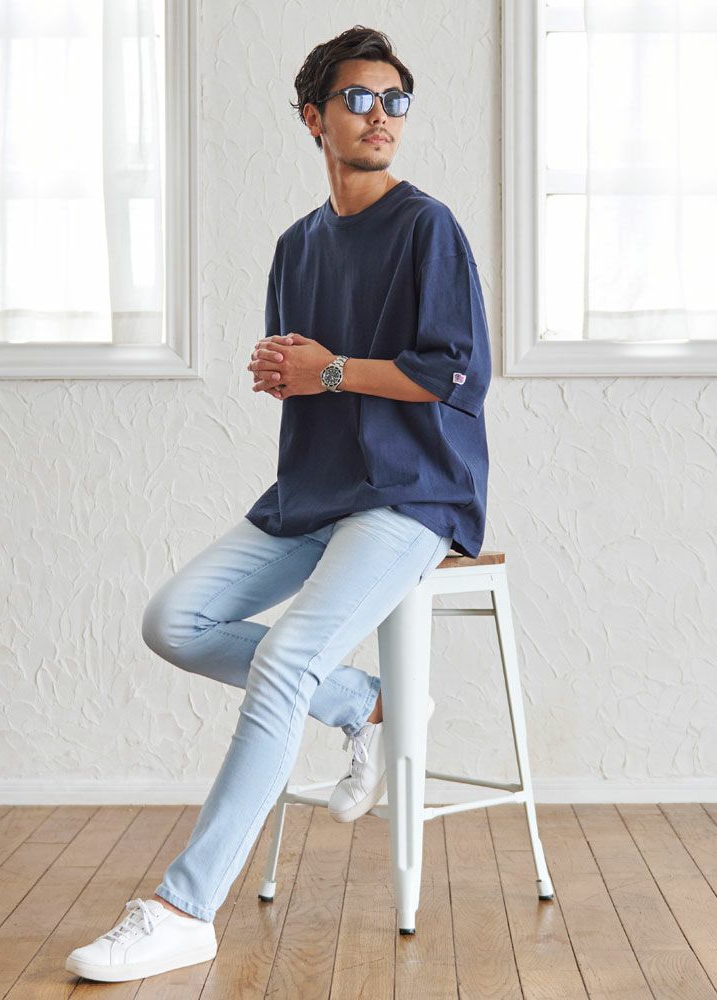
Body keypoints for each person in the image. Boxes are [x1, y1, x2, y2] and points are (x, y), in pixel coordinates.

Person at [65, 23, 491, 984]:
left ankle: (185, 907)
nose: (381, 116)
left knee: (284, 659)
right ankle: (364, 703)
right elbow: (298, 370)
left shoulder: (428, 228)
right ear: (313, 118)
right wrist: (288, 373)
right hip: (313, 490)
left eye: (396, 101)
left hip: (413, 493)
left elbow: (456, 377)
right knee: (175, 621)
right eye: (359, 99)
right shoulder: (297, 246)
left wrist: (330, 370)